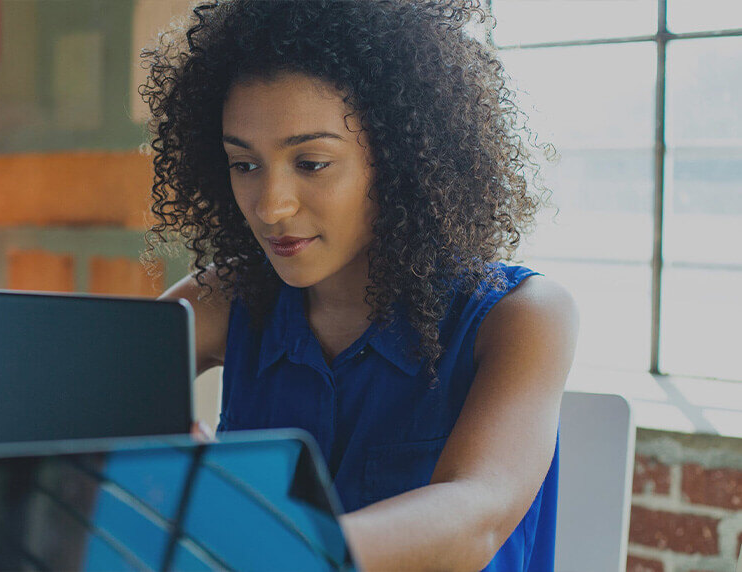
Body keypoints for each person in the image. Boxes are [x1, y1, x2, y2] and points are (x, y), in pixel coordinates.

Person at [141, 1, 578, 570]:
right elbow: (60, 419)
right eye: (244, 165)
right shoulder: (221, 301)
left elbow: (477, 516)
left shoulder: (522, 316)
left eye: (313, 163)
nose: (271, 207)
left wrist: (254, 533)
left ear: (400, 159)